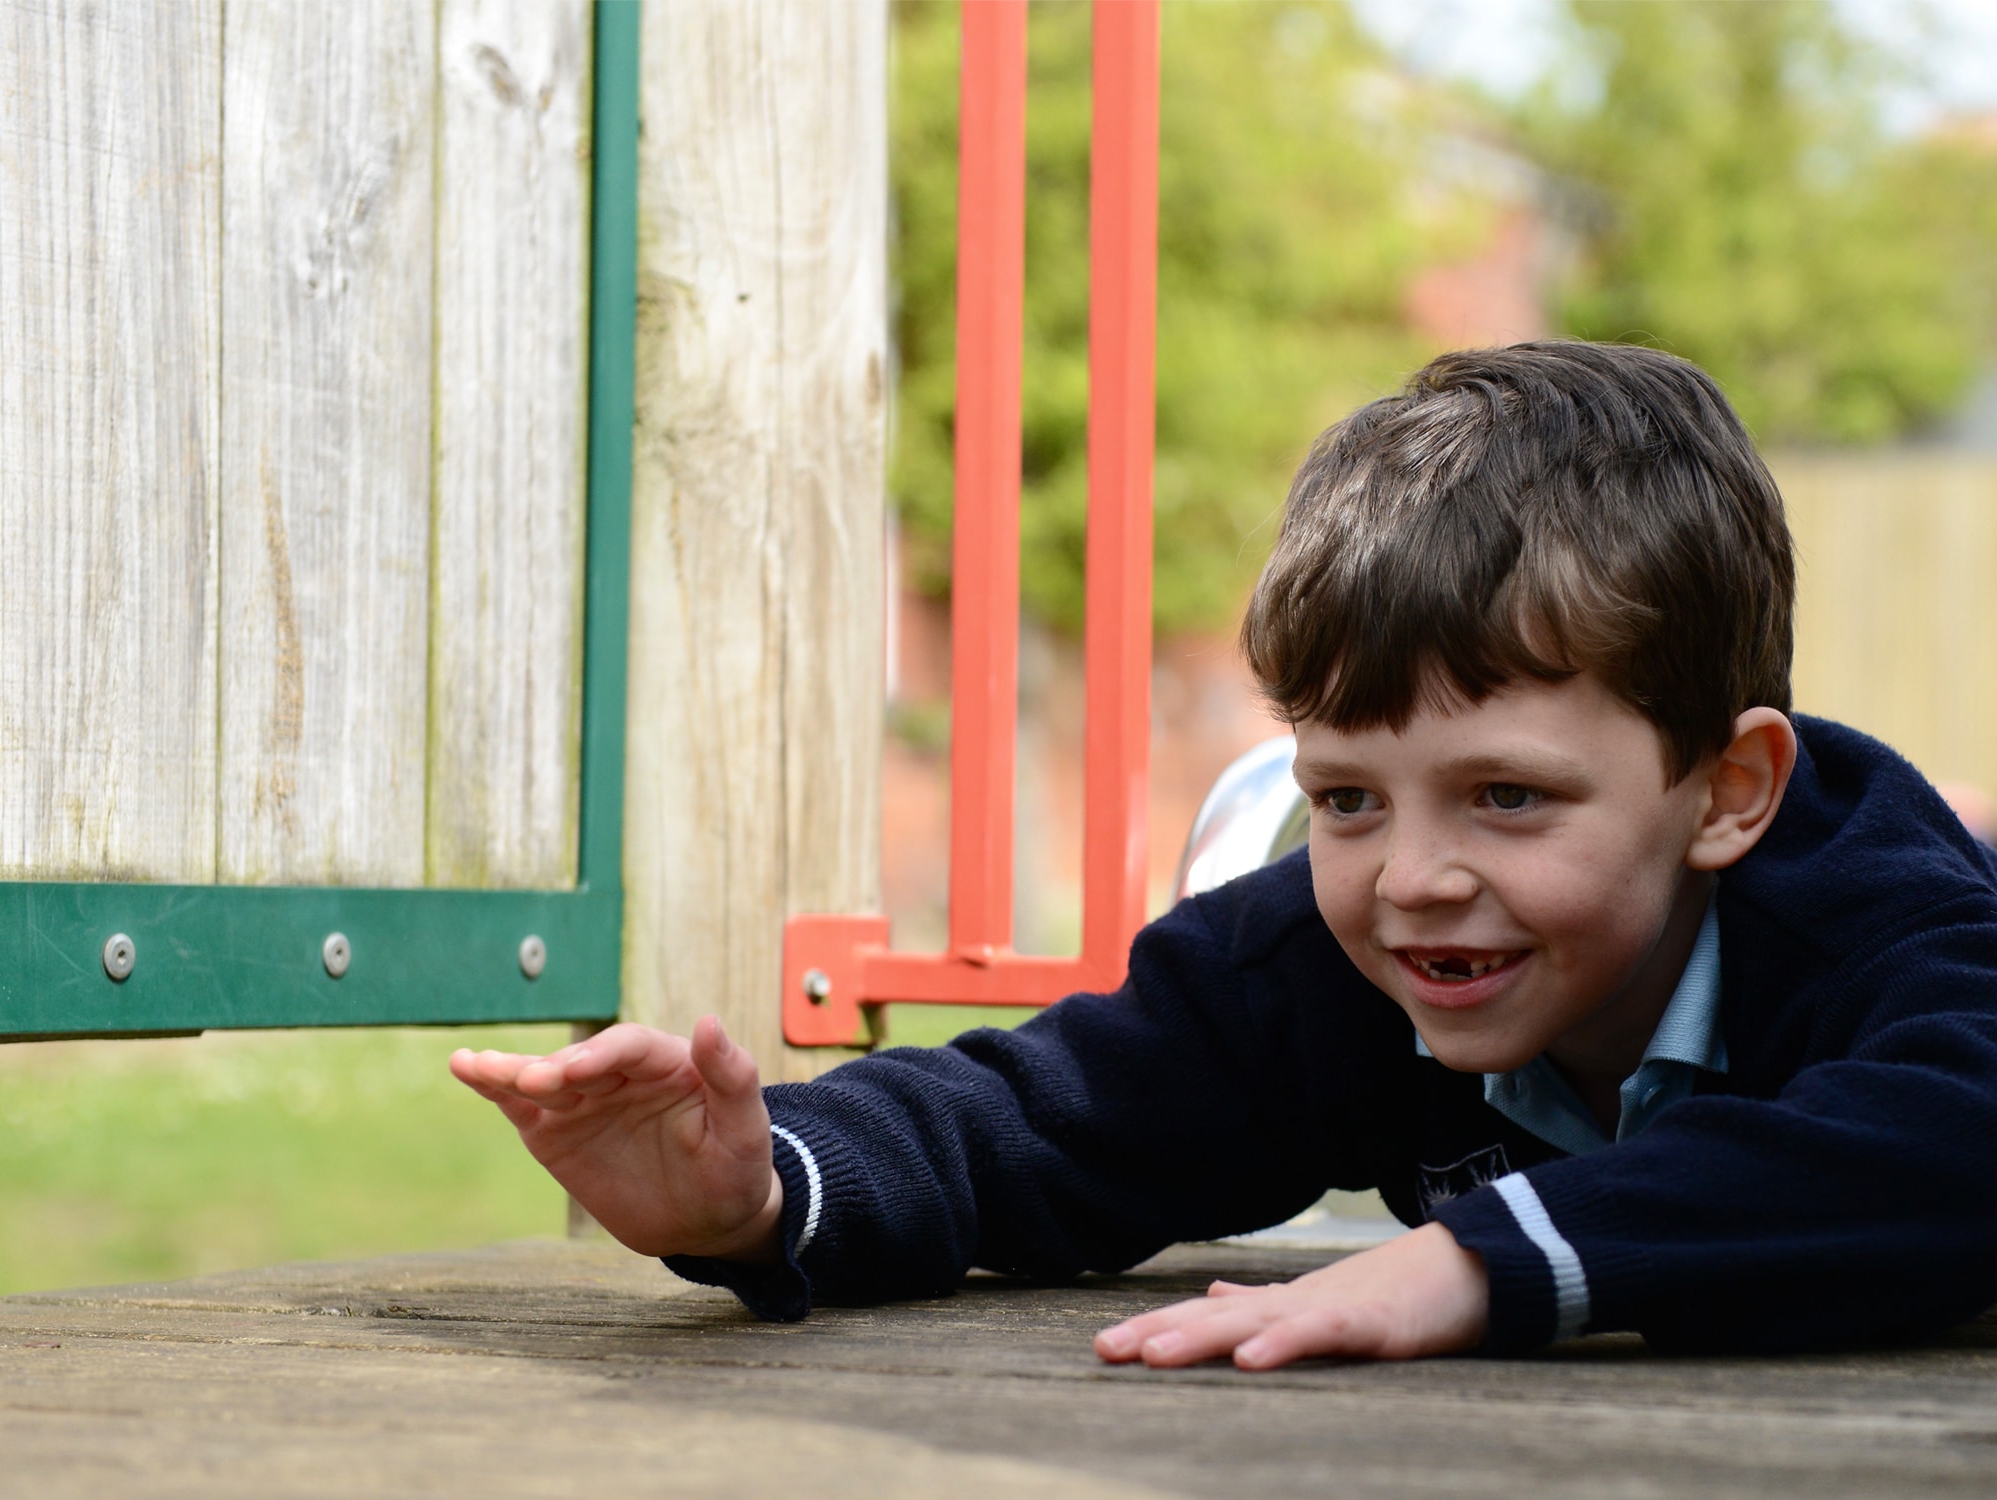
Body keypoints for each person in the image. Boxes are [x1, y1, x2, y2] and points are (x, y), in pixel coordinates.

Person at [453, 342, 1997, 1367]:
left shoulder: (1864, 919)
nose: (1413, 877)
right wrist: (766, 1191)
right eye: (1346, 798)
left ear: (1728, 791)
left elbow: (1959, 1135)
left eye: (1508, 798)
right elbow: (1043, 1118)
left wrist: (1478, 1264)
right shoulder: (1329, 966)